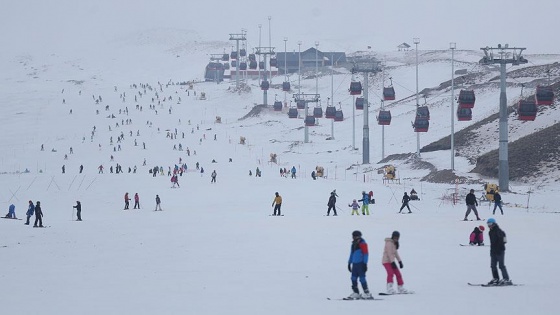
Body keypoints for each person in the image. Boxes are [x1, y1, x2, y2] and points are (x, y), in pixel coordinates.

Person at [347, 230, 372, 299]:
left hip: (361, 264)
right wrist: (349, 263)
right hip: (354, 264)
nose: (355, 238)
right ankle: (356, 292)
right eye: (354, 236)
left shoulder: (363, 243)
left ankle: (366, 292)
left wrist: (365, 263)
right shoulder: (353, 245)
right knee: (353, 278)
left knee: (362, 278)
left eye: (356, 236)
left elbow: (366, 254)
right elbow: (351, 254)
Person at [487, 218, 511, 285]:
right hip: (493, 251)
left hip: (500, 251)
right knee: (493, 265)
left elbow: (503, 241)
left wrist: (499, 249)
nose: (489, 226)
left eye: (490, 224)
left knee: (501, 265)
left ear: (494, 224)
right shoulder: (490, 232)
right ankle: (496, 278)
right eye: (488, 224)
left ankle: (506, 279)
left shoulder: (499, 231)